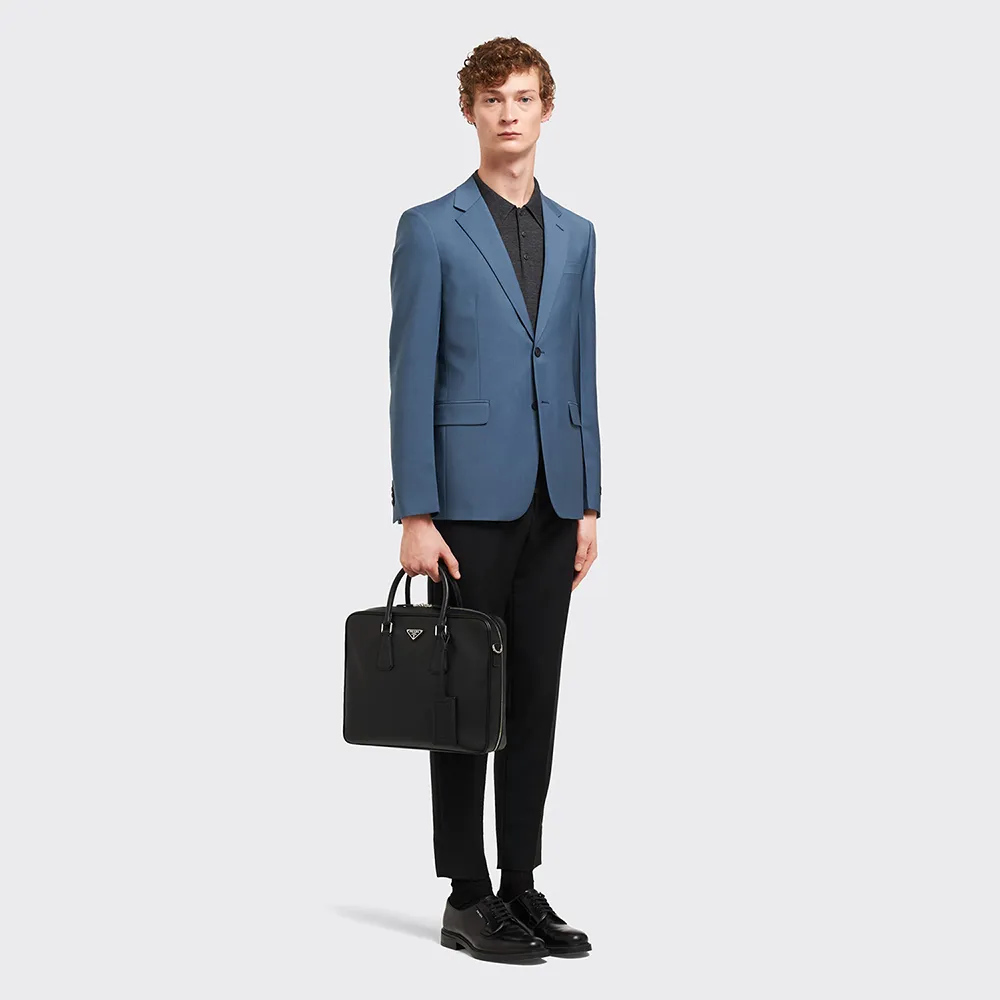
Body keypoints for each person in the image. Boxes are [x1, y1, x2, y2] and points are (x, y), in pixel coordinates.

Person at [387, 36, 602, 962]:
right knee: (464, 698)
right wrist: (415, 512)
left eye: (522, 98)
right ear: (470, 112)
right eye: (492, 100)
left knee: (536, 696)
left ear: (546, 109)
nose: (508, 114)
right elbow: (409, 377)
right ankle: (466, 893)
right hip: (466, 504)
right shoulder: (430, 229)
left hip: (555, 499)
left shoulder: (579, 235)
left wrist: (590, 500)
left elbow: (581, 369)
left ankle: (521, 883)